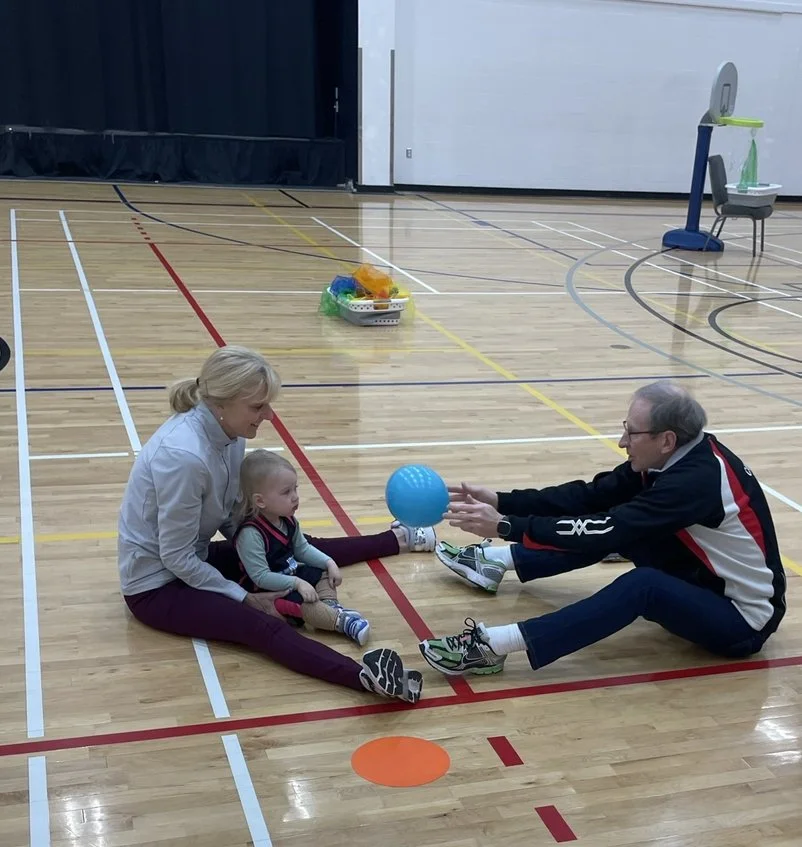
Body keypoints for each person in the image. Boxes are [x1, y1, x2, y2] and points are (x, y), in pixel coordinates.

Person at [118, 344, 430, 703]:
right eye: (257, 406)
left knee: (291, 540)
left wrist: (265, 547)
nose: (268, 415)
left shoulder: (229, 434)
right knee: (259, 624)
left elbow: (230, 512)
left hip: (193, 558)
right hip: (158, 586)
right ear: (222, 403)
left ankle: (400, 540)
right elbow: (175, 556)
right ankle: (365, 678)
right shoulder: (184, 457)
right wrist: (245, 596)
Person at [419, 380, 786, 676]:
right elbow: (590, 496)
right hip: (700, 576)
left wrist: (506, 526)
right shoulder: (675, 456)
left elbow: (608, 529)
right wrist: (503, 501)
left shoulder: (694, 482)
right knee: (612, 521)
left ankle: (493, 647)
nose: (623, 441)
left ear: (666, 439)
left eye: (632, 432)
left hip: (741, 619)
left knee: (641, 582)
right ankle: (497, 563)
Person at [234, 448, 370, 646]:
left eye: (295, 489)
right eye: (286, 492)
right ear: (260, 501)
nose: (295, 497)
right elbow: (260, 576)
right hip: (270, 591)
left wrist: (329, 562)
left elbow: (303, 549)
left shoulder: (288, 520)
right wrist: (297, 583)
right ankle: (341, 623)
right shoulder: (251, 534)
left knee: (322, 571)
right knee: (305, 604)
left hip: (292, 576)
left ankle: (331, 607)